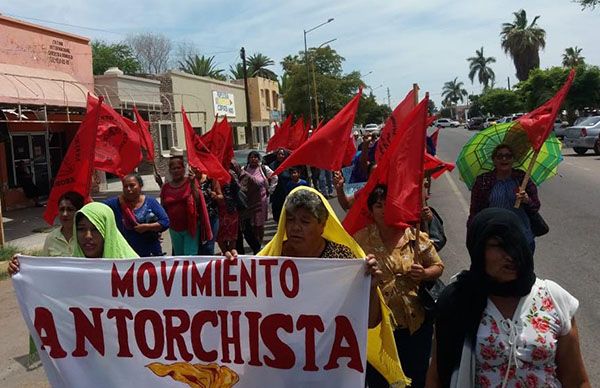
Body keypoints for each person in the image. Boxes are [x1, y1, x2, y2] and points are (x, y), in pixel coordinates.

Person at [427, 208, 590, 388]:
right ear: (478, 249)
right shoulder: (457, 301)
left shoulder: (553, 298)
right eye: (498, 245)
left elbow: (577, 381)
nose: (511, 256)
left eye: (515, 244)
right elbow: (437, 376)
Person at [352, 184, 444, 388]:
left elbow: (438, 266)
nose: (384, 210)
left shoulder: (413, 235)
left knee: (416, 376)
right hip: (379, 326)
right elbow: (349, 278)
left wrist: (424, 273)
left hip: (416, 323)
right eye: (378, 205)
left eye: (388, 205)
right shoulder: (359, 241)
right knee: (381, 379)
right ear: (371, 210)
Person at [8, 202, 138, 274]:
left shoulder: (133, 269)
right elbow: (44, 284)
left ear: (108, 232)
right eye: (81, 229)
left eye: (95, 230)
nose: (87, 236)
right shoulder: (71, 269)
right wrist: (21, 270)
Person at [468, 144, 540, 252]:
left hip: (523, 239)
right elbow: (475, 211)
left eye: (508, 156)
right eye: (499, 156)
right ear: (494, 160)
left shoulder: (522, 178)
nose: (504, 159)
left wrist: (527, 200)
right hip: (495, 240)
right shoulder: (483, 181)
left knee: (524, 269)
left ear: (513, 159)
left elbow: (535, 206)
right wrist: (473, 235)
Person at [105, 173, 169, 257]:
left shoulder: (151, 202)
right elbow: (97, 207)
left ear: (140, 186)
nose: (128, 189)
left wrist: (147, 227)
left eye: (132, 185)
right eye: (125, 186)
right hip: (125, 254)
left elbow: (165, 222)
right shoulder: (116, 203)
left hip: (150, 253)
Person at [160, 156, 200, 256]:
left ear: (183, 169)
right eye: (173, 168)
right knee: (179, 257)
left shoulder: (190, 182)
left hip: (190, 227)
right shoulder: (166, 187)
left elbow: (198, 200)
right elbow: (162, 207)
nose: (176, 170)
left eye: (179, 167)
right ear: (170, 171)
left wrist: (193, 183)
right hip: (174, 228)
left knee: (190, 257)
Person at [239, 151, 277, 249]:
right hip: (248, 201)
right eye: (251, 157)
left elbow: (275, 177)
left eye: (255, 157)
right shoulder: (244, 169)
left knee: (259, 224)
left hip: (261, 200)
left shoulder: (264, 169)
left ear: (258, 159)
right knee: (251, 224)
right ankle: (255, 243)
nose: (253, 159)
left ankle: (260, 243)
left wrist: (270, 190)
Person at [42, 191, 85, 257]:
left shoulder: (86, 236)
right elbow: (43, 264)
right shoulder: (51, 238)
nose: (64, 214)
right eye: (61, 209)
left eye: (70, 209)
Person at [217, 161, 242, 254]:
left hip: (230, 208)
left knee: (232, 237)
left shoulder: (231, 173)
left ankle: (230, 254)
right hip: (219, 209)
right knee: (220, 236)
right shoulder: (213, 174)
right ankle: (226, 253)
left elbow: (238, 188)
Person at [198, 176, 223, 255]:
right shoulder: (189, 180)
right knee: (198, 248)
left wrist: (216, 196)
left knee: (208, 247)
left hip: (211, 218)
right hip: (197, 220)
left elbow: (221, 197)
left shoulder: (211, 179)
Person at [268, 148, 290, 223]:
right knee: (276, 208)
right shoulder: (272, 165)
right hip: (276, 191)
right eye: (279, 154)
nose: (280, 156)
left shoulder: (288, 164)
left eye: (282, 154)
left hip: (286, 190)